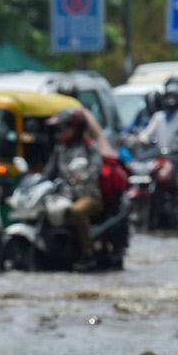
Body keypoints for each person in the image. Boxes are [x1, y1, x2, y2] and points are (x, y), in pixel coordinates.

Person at [43, 108, 104, 271]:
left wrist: (85, 176)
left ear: (76, 128)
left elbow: (96, 168)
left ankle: (87, 254)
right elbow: (48, 172)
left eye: (65, 128)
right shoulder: (59, 149)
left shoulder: (89, 147)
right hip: (63, 195)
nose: (62, 132)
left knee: (76, 211)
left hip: (88, 196)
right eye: (60, 128)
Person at [139, 77, 178, 229]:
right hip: (161, 159)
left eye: (175, 97)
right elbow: (146, 135)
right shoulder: (159, 117)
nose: (171, 100)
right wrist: (139, 140)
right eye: (169, 96)